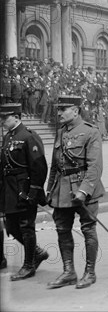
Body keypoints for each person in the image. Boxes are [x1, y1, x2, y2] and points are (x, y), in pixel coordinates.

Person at [46, 95, 105, 289]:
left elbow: (95, 166)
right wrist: (49, 190)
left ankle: (90, 272)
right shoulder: (61, 132)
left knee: (88, 229)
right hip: (61, 190)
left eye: (63, 109)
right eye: (58, 109)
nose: (59, 113)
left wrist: (84, 191)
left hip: (83, 189)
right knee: (62, 230)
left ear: (76, 110)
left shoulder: (90, 131)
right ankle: (69, 272)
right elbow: (55, 165)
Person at [0, 103, 49, 281]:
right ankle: (37, 253)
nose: (2, 121)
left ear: (17, 117)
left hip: (25, 188)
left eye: (6, 118)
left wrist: (34, 192)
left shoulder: (29, 136)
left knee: (26, 227)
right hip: (10, 190)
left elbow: (39, 166)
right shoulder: (8, 137)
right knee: (12, 226)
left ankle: (28, 265)